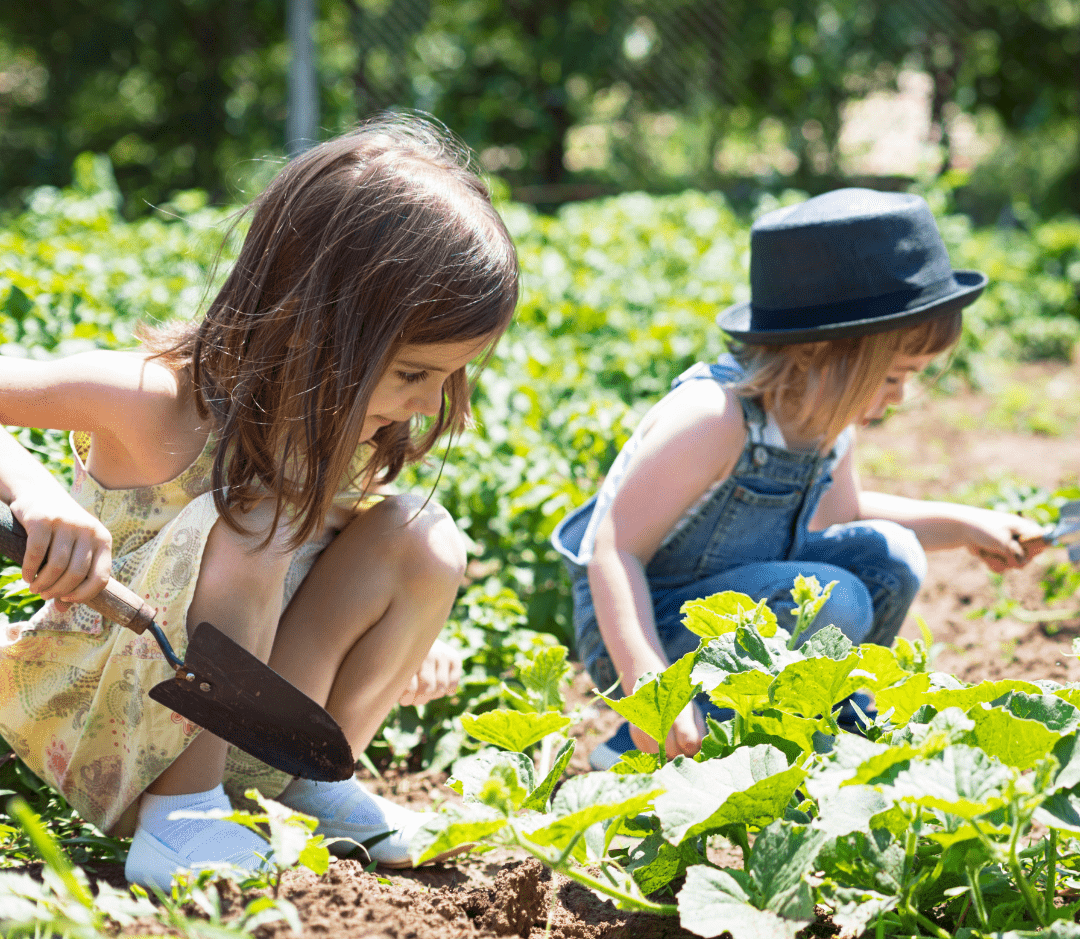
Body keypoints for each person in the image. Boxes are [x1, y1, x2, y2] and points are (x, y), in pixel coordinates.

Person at [0, 117, 519, 889]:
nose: (428, 403)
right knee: (259, 519)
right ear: (318, 329)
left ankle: (307, 789)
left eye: (448, 376)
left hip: (238, 720)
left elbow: (338, 561)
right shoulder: (154, 399)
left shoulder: (321, 434)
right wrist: (41, 497)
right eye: (414, 372)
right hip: (103, 711)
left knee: (422, 533)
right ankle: (184, 822)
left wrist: (404, 636)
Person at [553, 188, 1045, 770]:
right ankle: (639, 745)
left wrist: (965, 525)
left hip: (745, 609)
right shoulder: (715, 416)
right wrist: (650, 693)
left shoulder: (829, 419)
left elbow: (845, 517)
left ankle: (818, 715)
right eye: (891, 377)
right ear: (820, 356)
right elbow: (611, 551)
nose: (900, 397)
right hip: (646, 631)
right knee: (837, 599)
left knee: (892, 557)